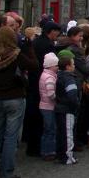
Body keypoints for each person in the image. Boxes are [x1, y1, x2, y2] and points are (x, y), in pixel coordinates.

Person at [0, 26, 38, 178]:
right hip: (14, 96)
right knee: (10, 136)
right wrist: (29, 47)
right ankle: (6, 172)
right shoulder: (16, 54)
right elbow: (34, 65)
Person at [25, 21, 60, 156]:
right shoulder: (47, 45)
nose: (58, 34)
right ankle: (41, 147)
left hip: (36, 81)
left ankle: (33, 145)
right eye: (56, 31)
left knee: (35, 115)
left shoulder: (37, 42)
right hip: (44, 81)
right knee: (42, 119)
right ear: (51, 31)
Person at [55, 53, 80, 165]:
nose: (74, 66)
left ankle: (61, 154)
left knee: (61, 132)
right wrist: (76, 105)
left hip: (60, 107)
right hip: (67, 109)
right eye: (73, 64)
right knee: (68, 133)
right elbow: (72, 95)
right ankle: (68, 156)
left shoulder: (59, 76)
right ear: (67, 66)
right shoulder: (69, 78)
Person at [39, 52, 59, 161]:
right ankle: (48, 151)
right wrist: (59, 98)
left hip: (45, 106)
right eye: (56, 65)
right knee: (50, 129)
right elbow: (51, 94)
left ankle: (46, 150)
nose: (57, 67)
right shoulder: (49, 78)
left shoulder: (45, 75)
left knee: (48, 129)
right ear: (50, 66)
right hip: (48, 107)